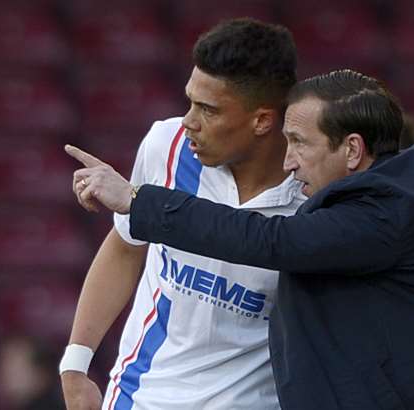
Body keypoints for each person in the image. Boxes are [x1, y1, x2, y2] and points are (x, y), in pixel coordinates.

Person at [67, 69, 414, 409]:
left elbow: (269, 241)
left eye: (299, 143)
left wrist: (138, 200)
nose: (287, 161)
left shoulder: (382, 216)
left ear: (352, 149)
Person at [60, 18, 304, 410]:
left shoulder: (313, 194)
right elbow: (125, 247)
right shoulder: (168, 145)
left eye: (208, 110)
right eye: (190, 100)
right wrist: (75, 365)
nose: (189, 121)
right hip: (141, 397)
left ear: (262, 120)